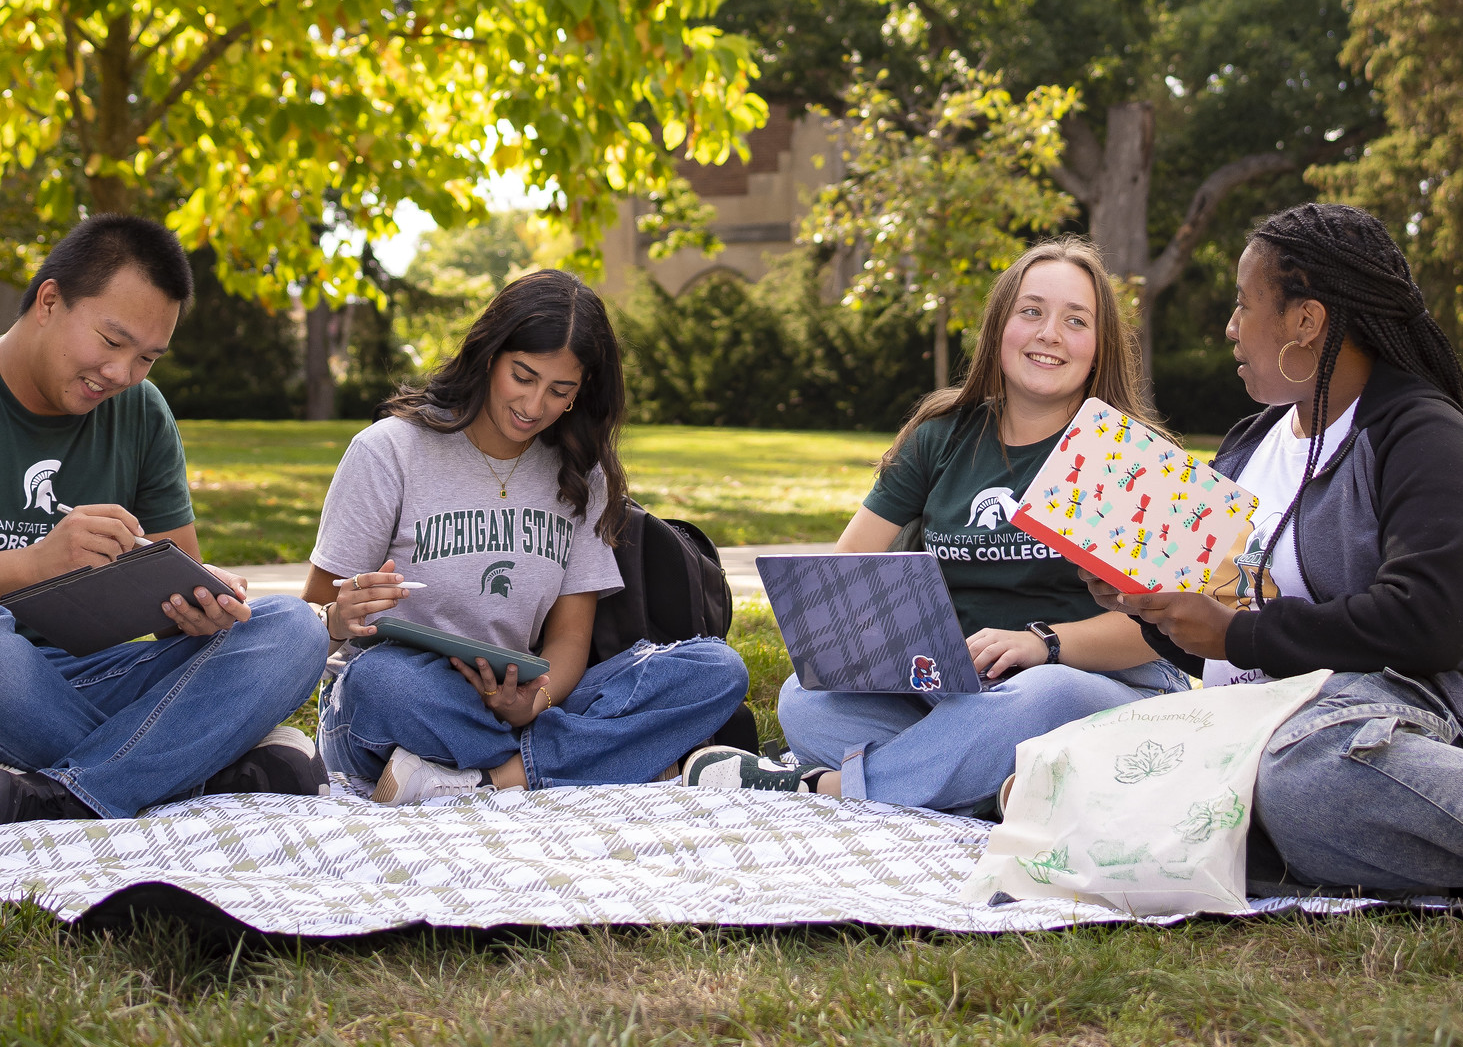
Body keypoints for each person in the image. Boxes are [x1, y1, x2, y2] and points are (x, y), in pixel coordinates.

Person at [683, 237, 1188, 811]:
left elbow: (1160, 629)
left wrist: (1041, 644)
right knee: (805, 698)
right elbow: (844, 571)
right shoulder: (942, 435)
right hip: (952, 689)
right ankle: (996, 790)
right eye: (1031, 311)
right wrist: (897, 647)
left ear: (1100, 348)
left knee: (1039, 696)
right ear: (999, 326)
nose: (1050, 333)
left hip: (1090, 685)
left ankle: (824, 787)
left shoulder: (1127, 458)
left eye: (1076, 321)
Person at [1082, 201, 1463, 896]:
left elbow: (1428, 620)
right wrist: (1146, 608)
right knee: (1079, 759)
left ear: (1305, 321)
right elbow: (1207, 643)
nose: (1229, 327)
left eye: (1242, 304)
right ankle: (1275, 842)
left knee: (1303, 775)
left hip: (1374, 724)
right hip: (1247, 730)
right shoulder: (1248, 444)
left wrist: (1240, 634)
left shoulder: (1419, 432)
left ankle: (1271, 835)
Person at [305, 268, 749, 802]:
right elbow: (312, 621)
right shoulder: (389, 451)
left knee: (714, 668)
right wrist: (339, 616)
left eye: (560, 390)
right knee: (384, 685)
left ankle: (492, 779)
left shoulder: (582, 474)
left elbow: (568, 640)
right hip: (401, 700)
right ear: (489, 355)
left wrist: (532, 702)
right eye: (523, 376)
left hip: (517, 698)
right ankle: (595, 758)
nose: (535, 406)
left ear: (581, 394)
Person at [0, 216, 330, 824]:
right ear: (49, 300)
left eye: (148, 357)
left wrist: (201, 605)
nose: (123, 374)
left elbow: (175, 587)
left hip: (99, 677)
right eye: (111, 340)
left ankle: (64, 794)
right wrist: (33, 564)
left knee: (293, 628)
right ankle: (196, 771)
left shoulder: (141, 412)